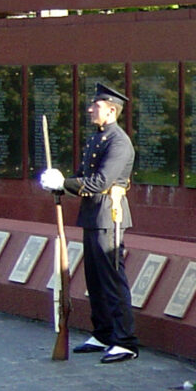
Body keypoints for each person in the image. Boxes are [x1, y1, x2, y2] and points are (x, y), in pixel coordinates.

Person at [40, 83, 139, 364]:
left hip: (109, 216)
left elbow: (100, 182)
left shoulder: (118, 142)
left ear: (111, 111)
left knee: (112, 279)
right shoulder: (98, 138)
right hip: (93, 214)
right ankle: (104, 333)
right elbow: (83, 176)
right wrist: (59, 185)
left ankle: (125, 341)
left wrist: (64, 183)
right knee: (95, 279)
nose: (89, 110)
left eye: (95, 106)